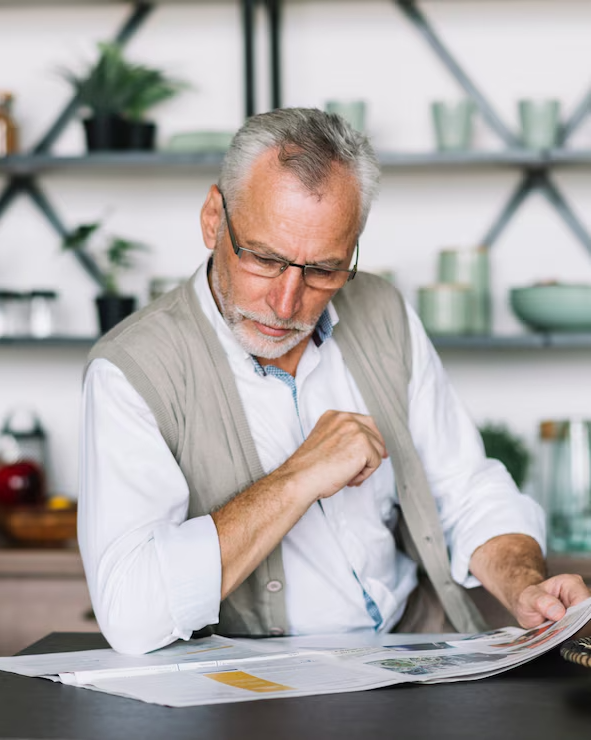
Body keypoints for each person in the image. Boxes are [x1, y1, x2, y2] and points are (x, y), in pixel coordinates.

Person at [78, 108, 590, 656]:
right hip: (250, 696)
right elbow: (131, 613)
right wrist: (298, 477)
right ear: (212, 219)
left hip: (412, 655)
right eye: (264, 259)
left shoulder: (383, 310)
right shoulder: (130, 370)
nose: (286, 302)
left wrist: (523, 583)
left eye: (323, 270)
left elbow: (462, 487)